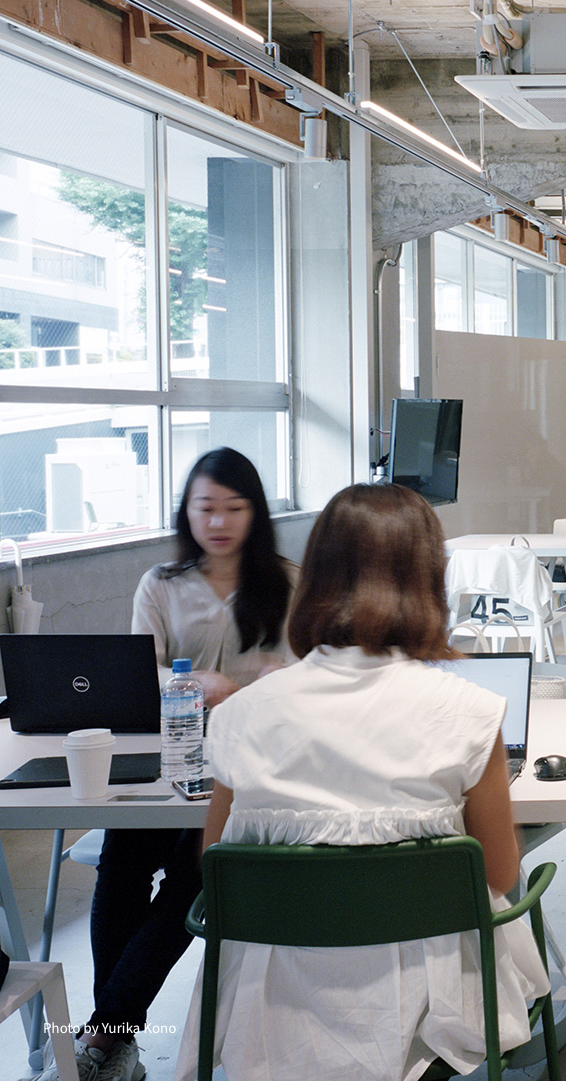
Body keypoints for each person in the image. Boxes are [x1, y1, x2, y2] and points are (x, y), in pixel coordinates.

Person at [173, 483, 548, 1081]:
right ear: (429, 579)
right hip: (430, 1010)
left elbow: (218, 867)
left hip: (271, 1013)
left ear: (316, 578)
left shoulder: (241, 714)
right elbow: (499, 874)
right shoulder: (471, 711)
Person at [48, 449, 296, 1081]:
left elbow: (309, 673)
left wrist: (272, 680)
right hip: (171, 756)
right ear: (186, 512)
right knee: (121, 865)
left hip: (250, 770)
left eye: (234, 508)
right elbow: (141, 672)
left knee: (195, 875)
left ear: (255, 513)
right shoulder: (160, 583)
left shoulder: (286, 583)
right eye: (205, 507)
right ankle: (113, 1039)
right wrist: (194, 684)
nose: (219, 521)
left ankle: (104, 1038)